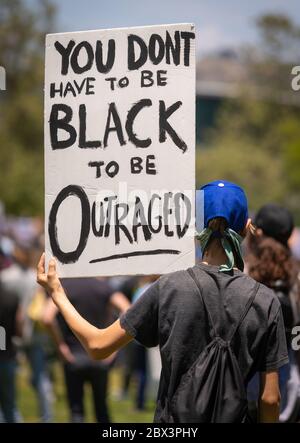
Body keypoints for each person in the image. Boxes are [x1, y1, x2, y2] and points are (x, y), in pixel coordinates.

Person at [37, 180, 288, 423]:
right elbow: (270, 399)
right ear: (246, 227)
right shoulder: (265, 301)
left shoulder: (169, 287)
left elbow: (98, 346)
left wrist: (57, 293)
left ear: (197, 225)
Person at [43, 277, 130, 423]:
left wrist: (60, 346)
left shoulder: (64, 287)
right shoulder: (103, 286)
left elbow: (46, 317)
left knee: (76, 412)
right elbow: (129, 310)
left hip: (73, 356)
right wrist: (113, 346)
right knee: (102, 410)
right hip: (102, 355)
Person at [246, 204, 300, 421]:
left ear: (257, 234)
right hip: (290, 389)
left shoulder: (243, 279)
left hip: (247, 387)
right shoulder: (296, 282)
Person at [0, 249, 23, 423]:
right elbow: (18, 327)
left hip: (5, 352)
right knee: (10, 405)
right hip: (7, 354)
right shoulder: (11, 297)